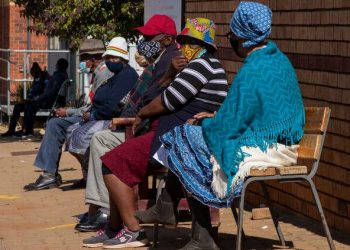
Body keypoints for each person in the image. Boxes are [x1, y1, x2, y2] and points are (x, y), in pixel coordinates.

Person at [147, 2, 305, 249]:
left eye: (232, 35)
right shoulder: (275, 58)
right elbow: (247, 111)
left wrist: (209, 121)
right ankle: (180, 216)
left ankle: (195, 228)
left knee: (183, 136)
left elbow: (232, 123)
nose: (231, 41)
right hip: (279, 140)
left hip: (268, 147)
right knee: (191, 136)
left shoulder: (255, 67)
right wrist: (212, 117)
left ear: (242, 37)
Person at [82, 17, 228, 249]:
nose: (186, 47)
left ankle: (133, 231)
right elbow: (159, 94)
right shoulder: (193, 64)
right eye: (185, 41)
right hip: (174, 136)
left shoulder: (200, 66)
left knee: (111, 163)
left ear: (204, 47)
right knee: (114, 157)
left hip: (175, 138)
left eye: (192, 42)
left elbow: (167, 100)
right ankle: (121, 224)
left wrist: (141, 115)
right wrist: (168, 76)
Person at [77, 14, 181, 234]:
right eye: (144, 36)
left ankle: (113, 217)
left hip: (154, 133)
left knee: (104, 147)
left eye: (150, 37)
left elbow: (154, 99)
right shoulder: (161, 61)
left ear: (167, 39)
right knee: (99, 141)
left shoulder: (169, 62)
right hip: (140, 126)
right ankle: (103, 212)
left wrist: (136, 117)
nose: (144, 41)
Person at [24, 37, 138, 191]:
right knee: (56, 124)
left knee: (64, 127)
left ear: (92, 59)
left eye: (84, 58)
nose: (82, 63)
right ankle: (54, 173)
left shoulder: (108, 73)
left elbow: (106, 106)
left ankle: (83, 175)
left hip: (101, 118)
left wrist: (70, 112)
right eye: (108, 57)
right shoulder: (106, 73)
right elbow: (95, 103)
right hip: (93, 114)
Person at [16, 58, 69, 138]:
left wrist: (39, 98)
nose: (55, 65)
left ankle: (28, 131)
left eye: (57, 64)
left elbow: (52, 92)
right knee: (29, 104)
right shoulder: (61, 75)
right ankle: (26, 130)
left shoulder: (59, 76)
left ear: (58, 65)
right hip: (52, 100)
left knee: (31, 106)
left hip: (50, 101)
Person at [1, 62, 47, 137]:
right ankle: (11, 130)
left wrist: (33, 99)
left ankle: (26, 130)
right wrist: (27, 99)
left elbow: (45, 93)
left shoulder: (44, 79)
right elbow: (32, 92)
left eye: (33, 74)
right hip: (32, 101)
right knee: (17, 106)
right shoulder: (36, 79)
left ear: (37, 72)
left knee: (27, 107)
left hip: (39, 102)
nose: (33, 76)